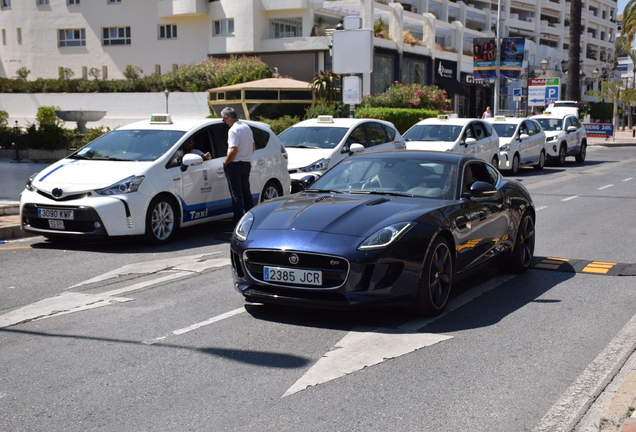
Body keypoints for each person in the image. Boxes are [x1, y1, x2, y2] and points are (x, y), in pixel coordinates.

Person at [221, 107, 255, 226]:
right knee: (246, 192)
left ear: (227, 117)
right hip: (246, 163)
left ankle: (237, 222)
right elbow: (253, 147)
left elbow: (233, 150)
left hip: (235, 164)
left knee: (236, 194)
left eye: (223, 119)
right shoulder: (246, 127)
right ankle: (250, 220)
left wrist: (226, 162)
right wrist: (246, 156)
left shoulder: (233, 130)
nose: (224, 122)